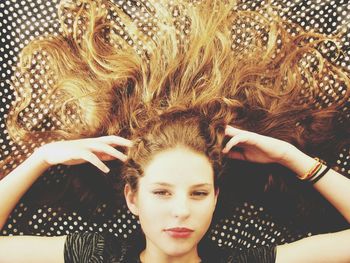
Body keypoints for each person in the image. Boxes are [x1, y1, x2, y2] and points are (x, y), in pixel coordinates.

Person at [0, 106, 350, 263]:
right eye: (161, 192)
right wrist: (41, 159)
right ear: (132, 198)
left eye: (198, 193)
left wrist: (294, 158)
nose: (181, 210)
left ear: (215, 198)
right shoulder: (98, 256)